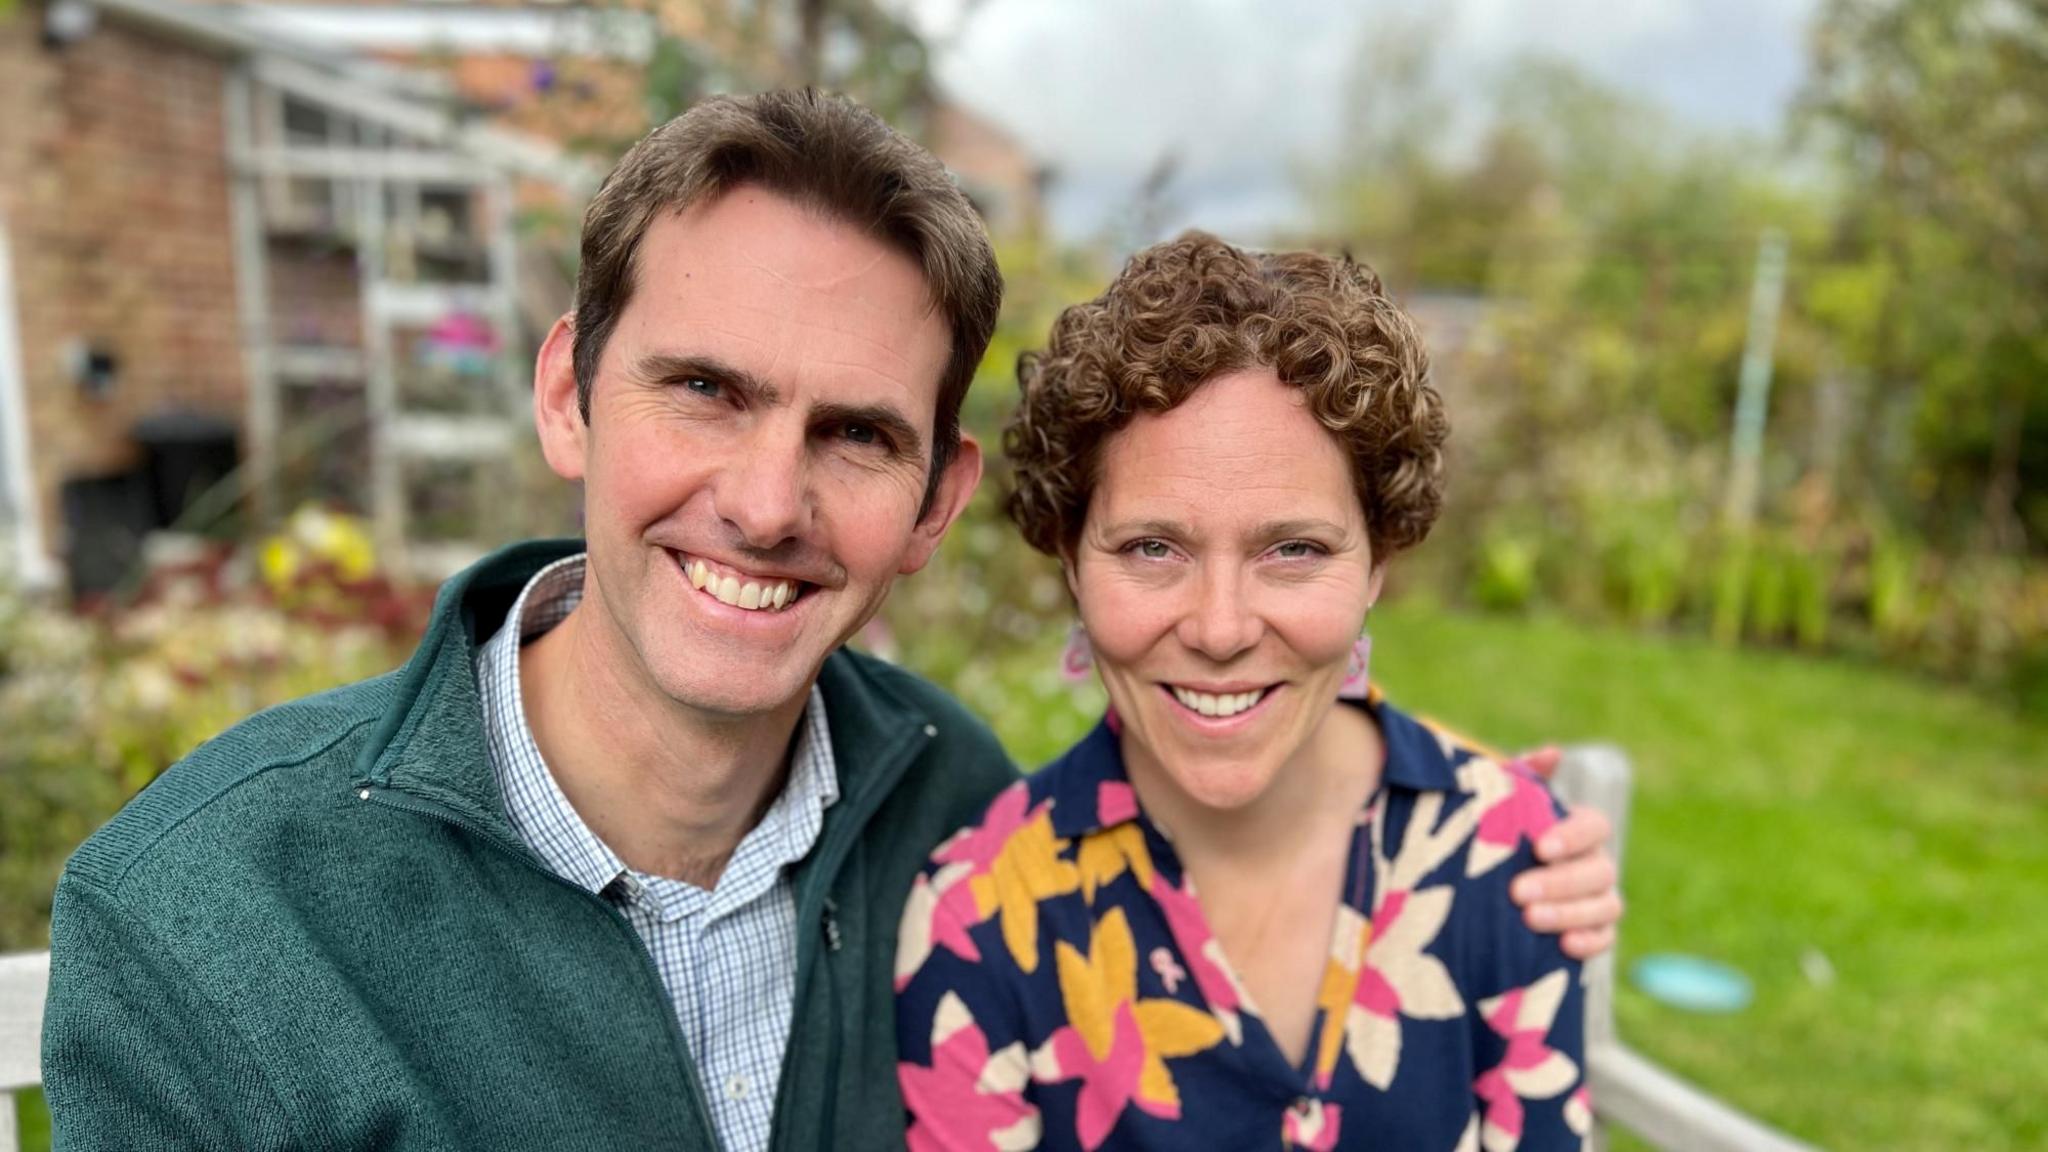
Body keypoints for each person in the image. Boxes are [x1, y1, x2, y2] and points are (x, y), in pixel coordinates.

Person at [41, 93, 1617, 1152]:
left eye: (856, 434)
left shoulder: (940, 801)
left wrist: (1444, 790)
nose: (767, 501)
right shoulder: (211, 928)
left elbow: (1225, 701)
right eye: (705, 390)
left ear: (936, 502)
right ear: (566, 392)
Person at [896, 234, 1593, 1151]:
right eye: (1154, 548)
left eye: (1293, 550)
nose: (1220, 630)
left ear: (1378, 560)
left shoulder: (1509, 861)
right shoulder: (982, 921)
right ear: (1069, 558)